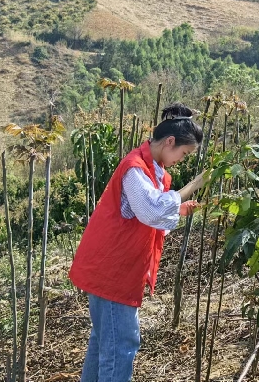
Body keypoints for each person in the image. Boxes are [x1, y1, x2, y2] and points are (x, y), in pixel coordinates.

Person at [69, 103, 207, 382]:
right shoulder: (135, 168)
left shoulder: (149, 168)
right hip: (112, 272)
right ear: (170, 142)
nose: (183, 159)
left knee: (103, 344)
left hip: (112, 268)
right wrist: (195, 184)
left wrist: (176, 209)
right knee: (121, 347)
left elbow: (145, 214)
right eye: (184, 152)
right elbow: (153, 210)